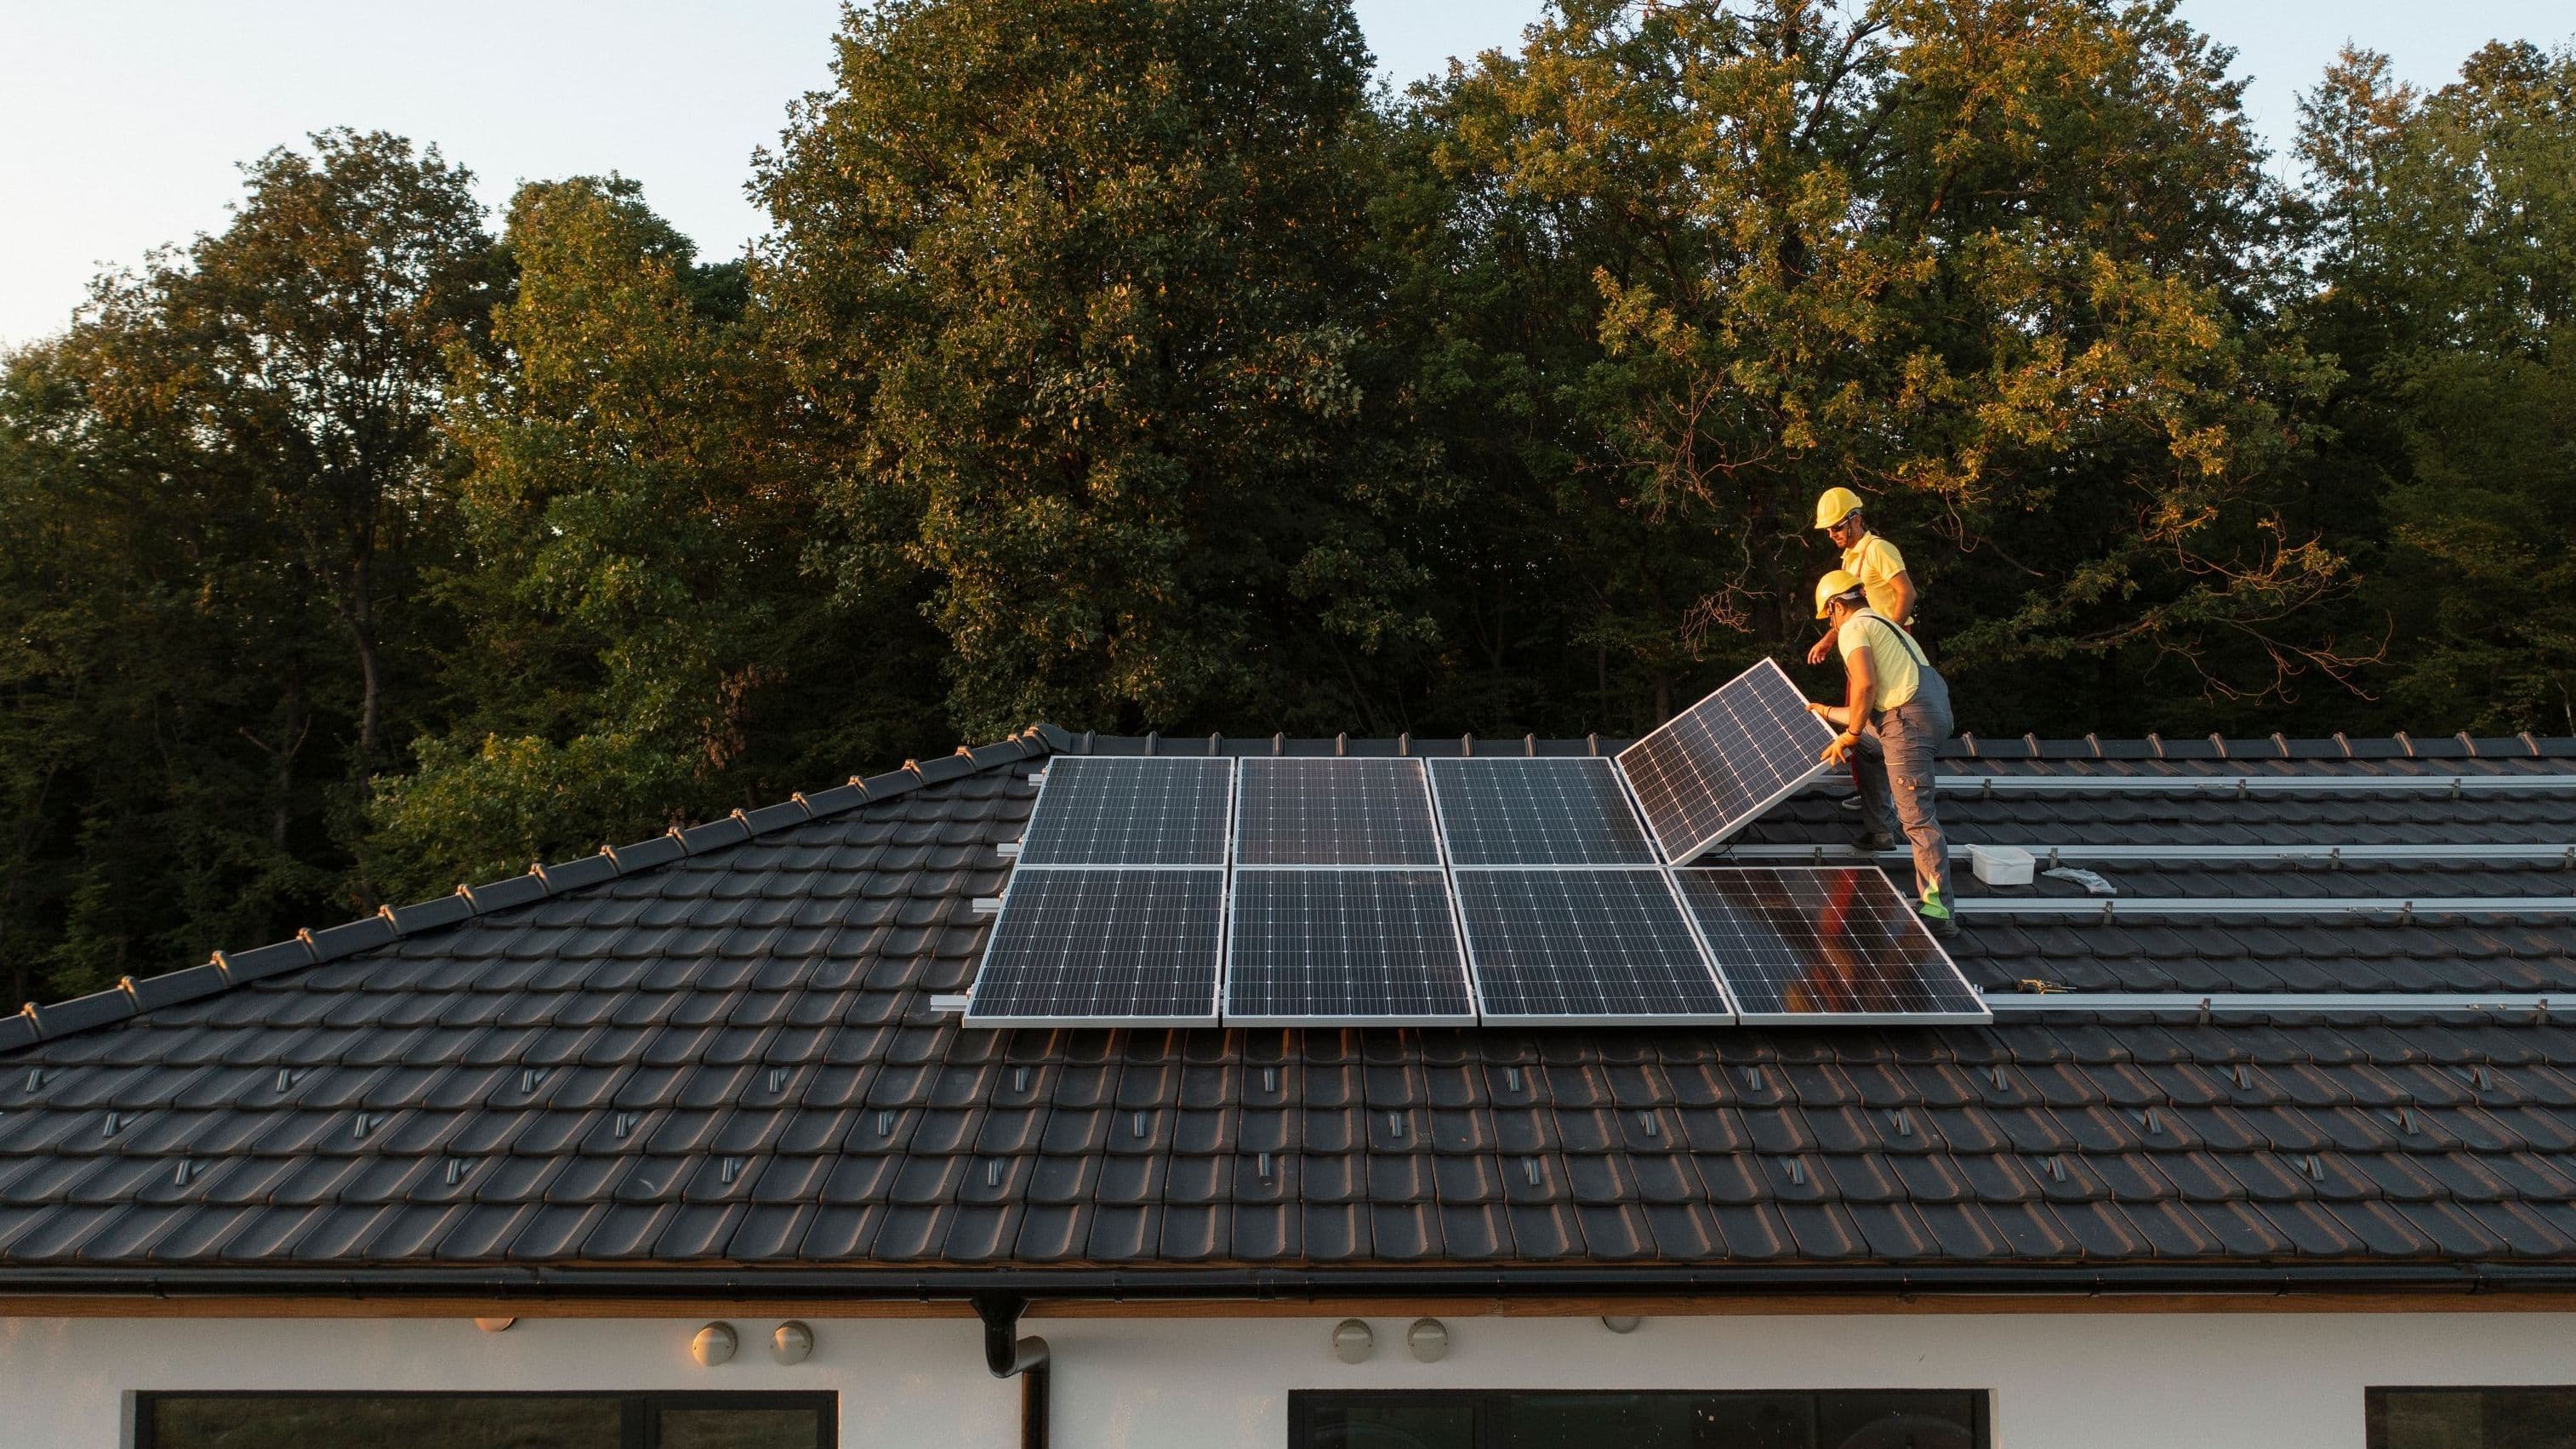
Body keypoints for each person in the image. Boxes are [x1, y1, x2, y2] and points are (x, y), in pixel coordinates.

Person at [1804, 568, 1957, 938]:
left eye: (1831, 616)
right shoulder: (1883, 623)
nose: (1833, 624)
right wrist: (1825, 711)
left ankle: (1939, 910)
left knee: (1917, 816)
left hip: (1908, 722)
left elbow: (1866, 685)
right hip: (1917, 712)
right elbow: (1865, 707)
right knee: (1869, 750)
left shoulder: (1855, 628)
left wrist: (1850, 733)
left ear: (1838, 606)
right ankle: (1878, 831)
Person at [1803, 487, 1916, 666]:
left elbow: (1907, 592)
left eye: (1836, 527)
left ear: (1856, 520)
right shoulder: (1848, 559)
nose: (1831, 535)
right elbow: (1848, 611)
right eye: (1828, 530)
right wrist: (1829, 639)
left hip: (1893, 640)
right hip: (1867, 641)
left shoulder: (1878, 549)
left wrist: (1891, 635)